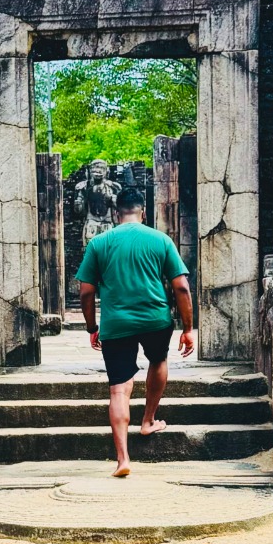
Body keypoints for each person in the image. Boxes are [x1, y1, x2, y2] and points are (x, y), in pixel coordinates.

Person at [74, 185, 195, 477]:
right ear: (142, 211)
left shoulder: (100, 243)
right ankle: (148, 420)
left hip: (116, 324)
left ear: (117, 213)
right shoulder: (160, 240)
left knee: (119, 388)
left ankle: (123, 459)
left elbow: (86, 293)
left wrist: (92, 327)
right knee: (158, 361)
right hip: (156, 319)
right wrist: (188, 328)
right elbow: (180, 286)